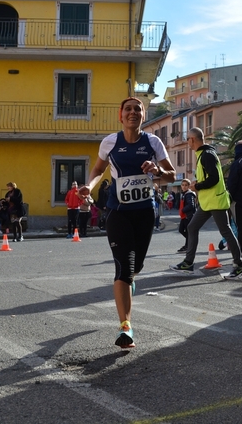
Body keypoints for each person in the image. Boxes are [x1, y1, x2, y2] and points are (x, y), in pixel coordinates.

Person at [77, 97, 175, 349]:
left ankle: (130, 284)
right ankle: (126, 327)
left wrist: (157, 171)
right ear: (120, 115)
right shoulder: (110, 142)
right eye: (128, 109)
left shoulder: (153, 142)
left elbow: (171, 175)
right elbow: (99, 169)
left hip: (144, 213)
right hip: (118, 212)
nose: (133, 113)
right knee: (123, 268)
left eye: (138, 109)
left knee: (136, 267)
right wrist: (90, 185)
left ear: (143, 115)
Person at [171, 127, 242, 278]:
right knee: (192, 227)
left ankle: (239, 265)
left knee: (226, 231)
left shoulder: (207, 155)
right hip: (208, 202)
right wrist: (198, 183)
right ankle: (188, 263)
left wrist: (197, 185)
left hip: (216, 201)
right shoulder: (204, 154)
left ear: (192, 139)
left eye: (188, 140)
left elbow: (214, 179)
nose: (188, 143)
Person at [176, 179, 196, 253]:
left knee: (187, 231)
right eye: (182, 185)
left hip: (188, 216)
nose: (184, 187)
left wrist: (183, 210)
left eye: (186, 185)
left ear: (188, 186)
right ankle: (189, 243)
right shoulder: (184, 194)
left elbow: (191, 205)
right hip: (184, 216)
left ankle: (188, 245)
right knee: (181, 230)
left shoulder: (188, 194)